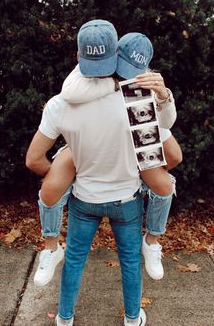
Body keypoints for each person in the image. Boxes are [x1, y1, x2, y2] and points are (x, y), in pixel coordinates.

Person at [32, 32, 182, 288]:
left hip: (129, 144)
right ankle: (51, 247)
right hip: (85, 147)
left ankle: (152, 241)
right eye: (122, 69)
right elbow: (68, 95)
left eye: (134, 71)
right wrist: (71, 177)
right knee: (51, 188)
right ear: (112, 58)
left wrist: (164, 97)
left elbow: (169, 138)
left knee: (165, 181)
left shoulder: (141, 92)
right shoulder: (80, 82)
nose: (127, 76)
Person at [26, 19, 146, 326]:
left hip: (85, 198)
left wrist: (61, 173)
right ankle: (133, 319)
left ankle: (65, 318)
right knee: (131, 261)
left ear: (79, 57)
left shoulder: (59, 105)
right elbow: (160, 154)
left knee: (74, 261)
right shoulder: (137, 99)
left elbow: (34, 159)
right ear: (116, 55)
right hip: (126, 199)